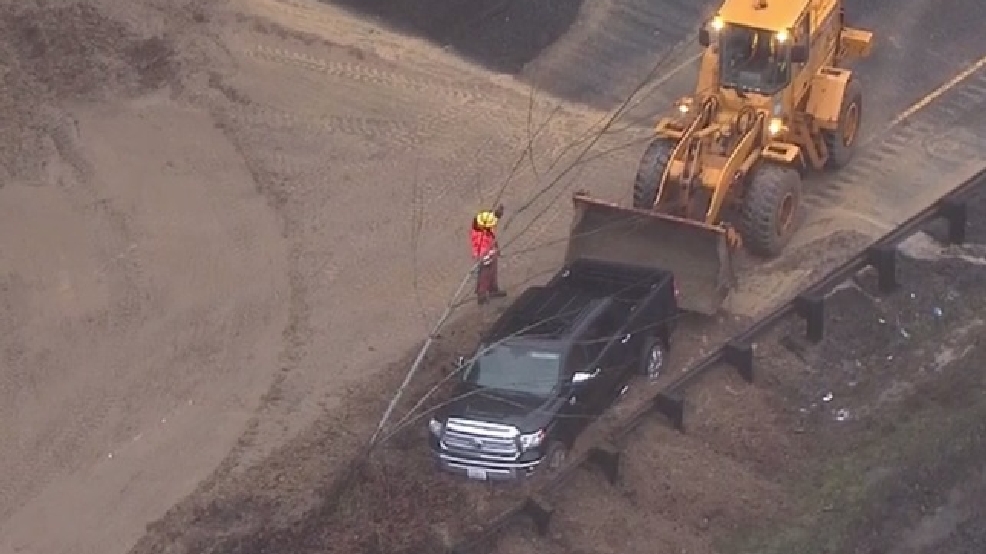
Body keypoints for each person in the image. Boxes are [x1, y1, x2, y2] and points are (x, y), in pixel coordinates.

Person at [471, 204, 507, 305]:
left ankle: (492, 289)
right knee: (485, 272)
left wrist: (496, 248)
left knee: (492, 270)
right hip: (484, 251)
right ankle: (482, 294)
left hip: (489, 250)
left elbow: (492, 237)